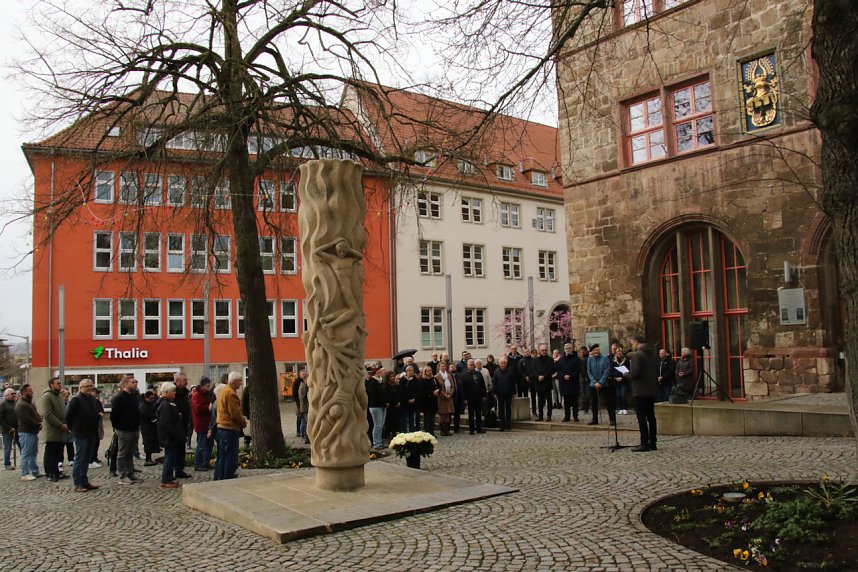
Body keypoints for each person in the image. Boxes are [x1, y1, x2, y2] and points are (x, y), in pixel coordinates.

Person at [624, 334, 660, 452]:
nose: (632, 345)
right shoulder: (653, 354)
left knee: (641, 417)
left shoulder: (637, 356)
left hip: (640, 391)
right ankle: (653, 442)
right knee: (651, 416)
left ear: (637, 342)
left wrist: (626, 374)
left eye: (632, 343)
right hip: (651, 389)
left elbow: (635, 373)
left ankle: (644, 443)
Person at [65, 378, 100, 492]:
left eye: (90, 386)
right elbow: (69, 417)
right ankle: (77, 483)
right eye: (87, 386)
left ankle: (84, 481)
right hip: (81, 433)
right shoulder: (76, 400)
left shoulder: (91, 399)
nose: (89, 388)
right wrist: (73, 429)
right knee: (80, 458)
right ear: (81, 388)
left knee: (87, 458)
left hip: (91, 432)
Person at [214, 371, 248, 481]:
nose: (241, 383)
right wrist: (243, 422)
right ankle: (227, 477)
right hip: (229, 428)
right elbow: (235, 413)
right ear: (235, 381)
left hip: (222, 427)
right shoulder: (231, 393)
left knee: (222, 455)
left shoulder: (223, 391)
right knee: (230, 456)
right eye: (240, 381)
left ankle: (219, 476)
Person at [110, 376, 142, 485]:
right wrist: (116, 427)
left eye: (136, 382)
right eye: (132, 382)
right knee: (122, 453)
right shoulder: (120, 397)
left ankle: (130, 473)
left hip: (134, 427)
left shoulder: (133, 396)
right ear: (125, 384)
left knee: (130, 452)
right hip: (124, 429)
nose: (135, 384)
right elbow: (114, 414)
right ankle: (122, 475)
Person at [156, 383, 186, 488]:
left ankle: (168, 478)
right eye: (173, 391)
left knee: (171, 457)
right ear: (167, 393)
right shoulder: (165, 405)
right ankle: (165, 480)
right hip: (170, 437)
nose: (174, 393)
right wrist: (175, 434)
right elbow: (166, 423)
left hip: (172, 436)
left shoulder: (169, 403)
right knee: (169, 458)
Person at [41, 376, 69, 482]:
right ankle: (49, 473)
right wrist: (60, 424)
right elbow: (48, 414)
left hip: (61, 430)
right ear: (51, 385)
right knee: (50, 452)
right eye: (57, 383)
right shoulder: (47, 396)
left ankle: (56, 472)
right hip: (53, 430)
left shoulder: (58, 396)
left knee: (58, 452)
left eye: (60, 383)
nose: (60, 385)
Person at [15, 384, 42, 480]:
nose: (32, 392)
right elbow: (26, 420)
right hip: (26, 432)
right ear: (24, 392)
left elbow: (36, 415)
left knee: (33, 452)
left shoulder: (29, 403)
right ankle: (25, 473)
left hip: (32, 431)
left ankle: (34, 470)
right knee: (26, 453)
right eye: (30, 391)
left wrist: (39, 421)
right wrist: (38, 424)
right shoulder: (21, 405)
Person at [191, 377, 215, 471]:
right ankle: (198, 463)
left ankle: (205, 462)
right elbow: (198, 409)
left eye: (209, 386)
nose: (208, 388)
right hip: (201, 424)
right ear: (201, 386)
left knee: (209, 444)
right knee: (202, 444)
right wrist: (208, 407)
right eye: (207, 386)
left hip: (208, 423)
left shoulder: (206, 394)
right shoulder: (196, 395)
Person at [586, 344, 612, 426]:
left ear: (599, 350)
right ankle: (594, 419)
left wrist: (601, 382)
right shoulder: (590, 360)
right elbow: (589, 372)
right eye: (594, 350)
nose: (596, 351)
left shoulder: (605, 359)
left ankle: (612, 419)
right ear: (592, 352)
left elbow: (606, 371)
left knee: (609, 402)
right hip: (593, 385)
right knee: (594, 403)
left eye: (597, 350)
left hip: (604, 385)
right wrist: (594, 382)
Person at [556, 343, 582, 422]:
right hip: (564, 383)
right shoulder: (561, 359)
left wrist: (570, 376)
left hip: (573, 383)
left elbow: (578, 370)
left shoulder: (577, 359)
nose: (568, 350)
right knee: (566, 402)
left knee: (574, 402)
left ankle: (575, 416)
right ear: (564, 349)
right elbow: (558, 370)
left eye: (569, 348)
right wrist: (563, 376)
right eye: (566, 348)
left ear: (572, 349)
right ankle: (567, 416)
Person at [460, 359, 487, 434]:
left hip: (478, 397)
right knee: (471, 415)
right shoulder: (464, 375)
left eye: (473, 364)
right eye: (470, 364)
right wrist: (464, 398)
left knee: (479, 414)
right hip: (470, 398)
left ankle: (479, 428)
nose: (472, 366)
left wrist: (484, 395)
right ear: (468, 366)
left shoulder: (478, 374)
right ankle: (471, 429)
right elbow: (462, 388)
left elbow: (482, 385)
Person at [492, 356, 516, 431]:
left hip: (508, 393)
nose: (503, 364)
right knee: (501, 410)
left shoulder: (510, 371)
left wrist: (514, 392)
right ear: (499, 364)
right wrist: (494, 393)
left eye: (504, 363)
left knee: (508, 409)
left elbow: (513, 382)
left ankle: (508, 424)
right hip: (500, 393)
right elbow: (494, 383)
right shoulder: (496, 371)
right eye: (502, 363)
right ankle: (502, 425)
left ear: (506, 363)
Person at [366, 367, 388, 449]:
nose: (382, 374)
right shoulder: (372, 382)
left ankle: (380, 441)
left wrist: (386, 401)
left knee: (381, 425)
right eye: (380, 372)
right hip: (375, 406)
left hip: (382, 405)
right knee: (377, 425)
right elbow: (374, 395)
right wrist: (384, 402)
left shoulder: (381, 382)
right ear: (377, 373)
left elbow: (384, 393)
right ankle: (376, 443)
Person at [533, 344, 556, 422]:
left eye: (545, 350)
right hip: (539, 383)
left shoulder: (550, 359)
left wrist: (544, 376)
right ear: (539, 351)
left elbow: (551, 370)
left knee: (549, 400)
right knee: (540, 401)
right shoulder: (536, 360)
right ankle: (540, 415)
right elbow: (534, 370)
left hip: (547, 382)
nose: (544, 352)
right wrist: (538, 376)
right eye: (542, 350)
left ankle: (549, 415)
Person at [139, 389, 160, 466]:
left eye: (153, 398)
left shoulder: (149, 404)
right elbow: (145, 415)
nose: (152, 400)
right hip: (146, 427)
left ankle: (149, 458)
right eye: (150, 398)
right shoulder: (143, 406)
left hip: (150, 426)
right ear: (146, 398)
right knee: (148, 443)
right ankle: (148, 459)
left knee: (150, 442)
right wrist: (154, 416)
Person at [435, 361, 456, 436]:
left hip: (449, 397)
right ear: (439, 367)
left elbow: (453, 386)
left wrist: (450, 394)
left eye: (445, 366)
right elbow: (438, 388)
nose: (443, 368)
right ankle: (442, 431)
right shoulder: (437, 376)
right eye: (442, 366)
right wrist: (444, 395)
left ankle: (447, 430)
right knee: (442, 415)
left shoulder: (449, 376)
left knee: (448, 414)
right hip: (442, 398)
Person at [173, 373, 193, 450]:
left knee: (181, 450)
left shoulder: (186, 392)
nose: (186, 382)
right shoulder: (173, 392)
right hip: (176, 426)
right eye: (184, 380)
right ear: (178, 381)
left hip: (184, 424)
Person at [418, 366, 440, 436]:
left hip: (434, 401)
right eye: (428, 371)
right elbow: (422, 391)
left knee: (433, 418)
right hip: (426, 402)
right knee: (427, 418)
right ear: (425, 372)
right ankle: (427, 432)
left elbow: (439, 386)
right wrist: (431, 393)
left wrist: (438, 391)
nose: (430, 372)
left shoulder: (434, 379)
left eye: (430, 370)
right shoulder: (422, 380)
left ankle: (432, 431)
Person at [1, 388, 19, 470]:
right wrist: (9, 427)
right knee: (8, 447)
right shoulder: (3, 405)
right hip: (7, 430)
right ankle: (7, 463)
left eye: (14, 393)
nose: (14, 395)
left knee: (21, 445)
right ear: (7, 395)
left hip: (17, 428)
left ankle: (25, 462)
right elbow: (0, 419)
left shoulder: (16, 403)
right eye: (12, 394)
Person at [399, 365, 420, 432]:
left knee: (412, 418)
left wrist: (414, 399)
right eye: (410, 371)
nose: (412, 372)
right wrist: (407, 399)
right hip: (405, 402)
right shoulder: (403, 380)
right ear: (406, 372)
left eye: (412, 370)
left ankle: (412, 431)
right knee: (404, 419)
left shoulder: (415, 380)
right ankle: (404, 432)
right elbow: (401, 391)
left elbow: (418, 391)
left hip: (413, 402)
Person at [59, 389, 75, 472]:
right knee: (61, 446)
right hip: (62, 427)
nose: (66, 398)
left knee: (70, 444)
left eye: (67, 397)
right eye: (65, 396)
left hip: (69, 427)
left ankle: (71, 459)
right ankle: (60, 460)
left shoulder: (69, 404)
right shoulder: (59, 405)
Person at [612, 345, 630, 415]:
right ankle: (620, 408)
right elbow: (612, 370)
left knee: (623, 394)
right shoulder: (613, 361)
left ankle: (624, 407)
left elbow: (628, 369)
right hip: (616, 380)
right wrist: (616, 377)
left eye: (620, 353)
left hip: (624, 380)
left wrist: (623, 377)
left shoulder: (626, 360)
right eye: (618, 353)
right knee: (618, 395)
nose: (619, 355)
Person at [383, 370, 400, 439]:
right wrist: (394, 402)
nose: (393, 378)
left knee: (395, 422)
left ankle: (394, 434)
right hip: (390, 407)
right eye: (391, 376)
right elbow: (387, 396)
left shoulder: (396, 386)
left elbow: (398, 394)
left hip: (396, 407)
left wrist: (399, 402)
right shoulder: (386, 386)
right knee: (388, 422)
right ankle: (387, 436)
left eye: (393, 376)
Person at [291, 370, 307, 437]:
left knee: (303, 418)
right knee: (299, 417)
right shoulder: (297, 382)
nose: (304, 375)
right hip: (299, 402)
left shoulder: (306, 381)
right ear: (300, 375)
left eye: (305, 374)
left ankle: (303, 432)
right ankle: (298, 431)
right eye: (303, 374)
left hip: (304, 402)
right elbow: (294, 393)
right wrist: (298, 404)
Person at [297, 372, 309, 445]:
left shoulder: (302, 385)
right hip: (305, 408)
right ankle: (306, 437)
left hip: (304, 407)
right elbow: (304, 397)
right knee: (307, 423)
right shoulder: (304, 386)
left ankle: (305, 436)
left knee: (304, 422)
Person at [578, 346, 590, 413]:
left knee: (588, 393)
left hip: (587, 377)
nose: (582, 352)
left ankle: (587, 406)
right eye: (581, 350)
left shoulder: (588, 358)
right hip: (582, 376)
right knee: (582, 392)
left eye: (583, 350)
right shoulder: (581, 358)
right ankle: (583, 405)